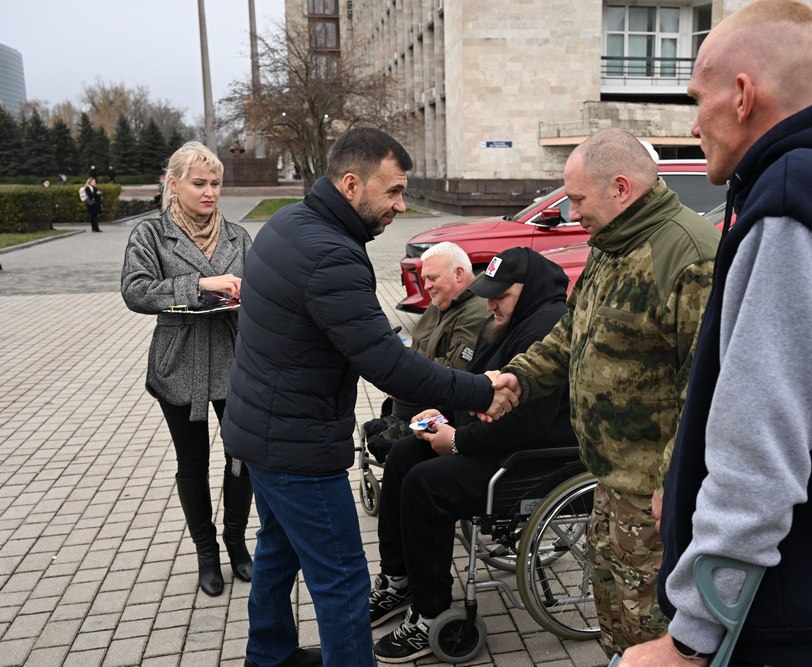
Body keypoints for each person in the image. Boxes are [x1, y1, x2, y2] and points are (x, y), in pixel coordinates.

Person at [618, 2, 812, 666]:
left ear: (745, 94)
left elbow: (762, 444)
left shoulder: (796, 192)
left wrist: (693, 636)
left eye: (700, 100)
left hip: (766, 624)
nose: (694, 124)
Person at [221, 127, 516, 667]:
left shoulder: (287, 223)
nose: (402, 206)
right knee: (342, 580)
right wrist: (479, 387)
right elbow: (388, 367)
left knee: (278, 550)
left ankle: (268, 655)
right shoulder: (330, 254)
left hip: (259, 430)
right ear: (352, 184)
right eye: (394, 192)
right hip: (298, 448)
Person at [487, 128, 720, 656]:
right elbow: (574, 333)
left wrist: (671, 483)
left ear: (620, 187)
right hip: (611, 481)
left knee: (656, 638)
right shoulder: (612, 245)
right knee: (618, 626)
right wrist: (517, 378)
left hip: (655, 499)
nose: (571, 214)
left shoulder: (687, 256)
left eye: (577, 199)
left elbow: (703, 389)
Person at [371, 247, 576, 663]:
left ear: (529, 291)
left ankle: (431, 613)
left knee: (426, 484)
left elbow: (528, 423)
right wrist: (443, 416)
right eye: (489, 293)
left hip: (535, 459)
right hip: (499, 444)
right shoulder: (500, 323)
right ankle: (399, 579)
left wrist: (458, 440)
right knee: (404, 454)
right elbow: (476, 386)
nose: (492, 303)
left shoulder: (547, 328)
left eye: (502, 295)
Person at [120, 141, 255, 601]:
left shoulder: (238, 236)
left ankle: (237, 540)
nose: (210, 192)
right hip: (180, 364)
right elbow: (136, 292)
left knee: (243, 457)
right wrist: (198, 285)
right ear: (173, 185)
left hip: (236, 361)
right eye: (199, 183)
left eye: (216, 183)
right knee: (192, 462)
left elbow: (257, 289)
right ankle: (206, 551)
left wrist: (246, 297)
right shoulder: (150, 235)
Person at [363, 241, 488, 460]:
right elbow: (419, 348)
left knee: (385, 449)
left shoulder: (475, 313)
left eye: (432, 278)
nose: (427, 286)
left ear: (459, 274)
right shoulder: (442, 302)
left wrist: (400, 375)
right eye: (424, 279)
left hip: (436, 413)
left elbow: (455, 371)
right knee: (370, 431)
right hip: (410, 406)